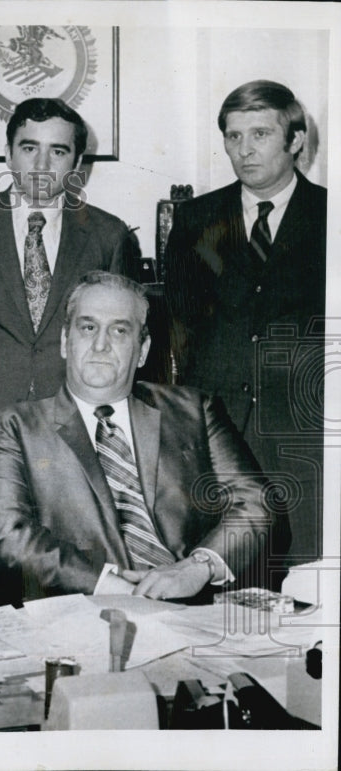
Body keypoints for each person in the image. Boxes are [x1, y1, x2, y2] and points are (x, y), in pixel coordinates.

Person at [0, 98, 140, 609]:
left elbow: (115, 335)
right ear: (9, 154)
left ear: (78, 164)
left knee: (68, 579)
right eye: (29, 149)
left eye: (58, 152)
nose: (41, 166)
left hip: (70, 430)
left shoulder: (107, 235)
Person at [0, 271, 279, 602]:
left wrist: (199, 565)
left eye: (119, 331)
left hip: (195, 612)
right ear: (65, 341)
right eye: (87, 328)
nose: (101, 344)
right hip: (78, 616)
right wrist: (108, 585)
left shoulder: (195, 410)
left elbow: (256, 502)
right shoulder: (12, 430)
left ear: (143, 349)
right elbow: (6, 535)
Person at [164, 80, 325, 569]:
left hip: (302, 433)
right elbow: (181, 327)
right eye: (234, 137)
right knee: (222, 573)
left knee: (303, 577)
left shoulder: (331, 217)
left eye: (260, 134)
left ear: (295, 140)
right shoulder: (195, 219)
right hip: (219, 435)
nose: (244, 150)